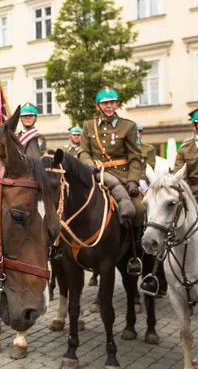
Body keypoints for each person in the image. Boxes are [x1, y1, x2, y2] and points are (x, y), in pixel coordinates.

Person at [78, 87, 144, 275]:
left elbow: (135, 157)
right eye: (105, 103)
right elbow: (83, 151)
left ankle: (135, 253)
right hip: (96, 177)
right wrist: (89, 164)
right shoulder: (88, 126)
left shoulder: (128, 126)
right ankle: (64, 249)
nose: (109, 106)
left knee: (139, 210)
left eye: (112, 102)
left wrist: (133, 180)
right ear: (97, 106)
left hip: (122, 178)